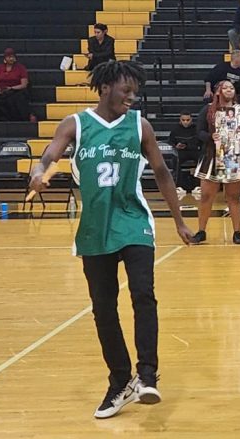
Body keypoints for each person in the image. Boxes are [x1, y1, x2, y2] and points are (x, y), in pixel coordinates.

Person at [28, 61, 194, 419]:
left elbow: (163, 174)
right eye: (126, 90)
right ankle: (121, 380)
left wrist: (179, 221)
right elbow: (48, 156)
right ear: (105, 88)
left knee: (142, 293)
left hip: (133, 221)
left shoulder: (140, 126)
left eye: (136, 91)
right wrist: (39, 173)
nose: (132, 97)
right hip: (95, 227)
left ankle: (148, 375)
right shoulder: (76, 124)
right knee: (103, 310)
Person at [194, 81, 240, 245]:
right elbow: (199, 132)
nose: (229, 90)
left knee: (234, 197)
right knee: (206, 196)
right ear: (218, 91)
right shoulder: (208, 109)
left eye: (232, 88)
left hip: (234, 157)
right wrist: (211, 137)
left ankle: (237, 232)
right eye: (226, 87)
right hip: (211, 155)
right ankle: (201, 231)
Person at [0, 48, 32, 122]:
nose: (11, 59)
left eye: (12, 57)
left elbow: (24, 84)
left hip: (15, 90)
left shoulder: (21, 68)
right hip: (1, 90)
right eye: (9, 57)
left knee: (15, 97)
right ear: (5, 58)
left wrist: (11, 88)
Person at [169, 110, 201, 190]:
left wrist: (189, 145)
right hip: (181, 152)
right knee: (175, 160)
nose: (185, 122)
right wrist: (176, 145)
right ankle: (178, 186)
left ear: (191, 120)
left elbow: (199, 142)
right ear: (180, 120)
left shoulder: (196, 129)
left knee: (202, 159)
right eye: (183, 120)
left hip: (194, 151)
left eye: (188, 120)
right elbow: (170, 141)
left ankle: (198, 186)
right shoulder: (175, 130)